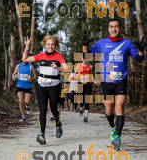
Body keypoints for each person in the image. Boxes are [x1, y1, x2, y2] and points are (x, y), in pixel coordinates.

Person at [82, 18, 146, 150]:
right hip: (106, 81)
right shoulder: (101, 43)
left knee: (120, 107)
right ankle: (112, 128)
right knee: (109, 110)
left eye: (116, 26)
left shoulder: (127, 44)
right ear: (108, 29)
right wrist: (84, 46)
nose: (114, 29)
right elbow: (86, 57)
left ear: (120, 28)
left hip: (120, 80)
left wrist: (141, 50)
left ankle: (117, 137)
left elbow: (139, 59)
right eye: (111, 26)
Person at [22, 35, 68, 145]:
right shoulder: (41, 56)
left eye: (52, 44)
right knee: (42, 109)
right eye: (48, 44)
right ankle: (42, 134)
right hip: (41, 85)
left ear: (55, 45)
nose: (50, 46)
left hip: (54, 86)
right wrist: (27, 48)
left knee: (53, 108)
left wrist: (58, 68)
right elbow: (25, 59)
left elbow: (66, 69)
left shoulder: (58, 56)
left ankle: (58, 124)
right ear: (45, 45)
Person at [75, 55, 100, 122]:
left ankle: (86, 115)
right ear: (82, 58)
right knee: (82, 100)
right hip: (80, 84)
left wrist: (94, 82)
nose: (85, 60)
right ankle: (81, 108)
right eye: (84, 58)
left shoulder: (90, 66)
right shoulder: (78, 66)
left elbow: (91, 76)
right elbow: (75, 74)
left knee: (87, 99)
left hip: (88, 84)